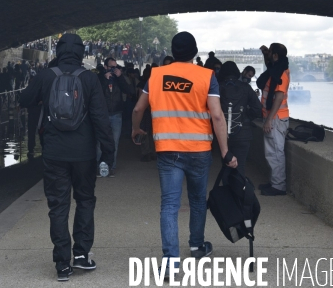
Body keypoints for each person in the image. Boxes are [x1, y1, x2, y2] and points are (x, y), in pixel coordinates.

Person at [131, 32, 237, 276]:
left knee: (169, 205)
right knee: (198, 201)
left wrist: (136, 129)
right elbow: (218, 115)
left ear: (173, 50)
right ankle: (197, 246)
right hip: (199, 151)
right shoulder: (207, 76)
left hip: (167, 150)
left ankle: (170, 263)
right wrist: (225, 152)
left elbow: (138, 107)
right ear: (195, 52)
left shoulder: (156, 75)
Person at [19, 34, 115, 282]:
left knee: (58, 205)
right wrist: (108, 152)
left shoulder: (46, 76)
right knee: (85, 200)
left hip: (54, 152)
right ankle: (81, 254)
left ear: (59, 51)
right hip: (84, 154)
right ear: (81, 52)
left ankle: (62, 263)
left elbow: (24, 100)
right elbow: (100, 119)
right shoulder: (90, 79)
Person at [256, 43, 290, 196]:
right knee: (271, 152)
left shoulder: (280, 73)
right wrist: (264, 52)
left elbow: (278, 97)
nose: (268, 54)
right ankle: (274, 181)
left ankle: (278, 186)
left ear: (275, 55)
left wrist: (269, 120)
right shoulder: (275, 69)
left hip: (276, 118)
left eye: (270, 52)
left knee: (276, 152)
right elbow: (268, 64)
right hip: (273, 117)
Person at [218, 61, 263, 175]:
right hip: (243, 132)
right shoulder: (246, 87)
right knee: (240, 166)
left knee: (226, 165)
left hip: (222, 134)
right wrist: (245, 116)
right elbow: (258, 109)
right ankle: (239, 191)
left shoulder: (217, 87)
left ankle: (226, 191)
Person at [96, 57, 135, 177]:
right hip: (103, 114)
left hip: (117, 113)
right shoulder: (99, 78)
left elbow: (130, 91)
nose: (114, 69)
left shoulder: (120, 79)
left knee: (115, 142)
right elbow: (95, 93)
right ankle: (100, 167)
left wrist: (120, 77)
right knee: (99, 142)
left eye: (116, 67)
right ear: (106, 67)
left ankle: (111, 166)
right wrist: (104, 79)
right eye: (112, 67)